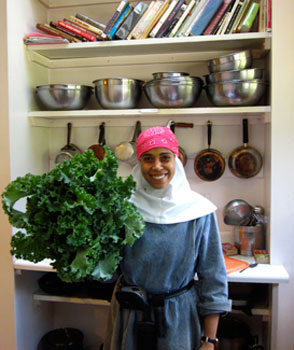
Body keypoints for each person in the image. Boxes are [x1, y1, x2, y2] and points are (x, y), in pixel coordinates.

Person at [103, 126, 231, 350]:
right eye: (148, 159)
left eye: (165, 157)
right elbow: (108, 273)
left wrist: (210, 340)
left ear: (176, 162)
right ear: (139, 163)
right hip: (129, 315)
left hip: (178, 318)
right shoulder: (121, 207)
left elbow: (213, 278)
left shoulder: (198, 211)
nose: (157, 166)